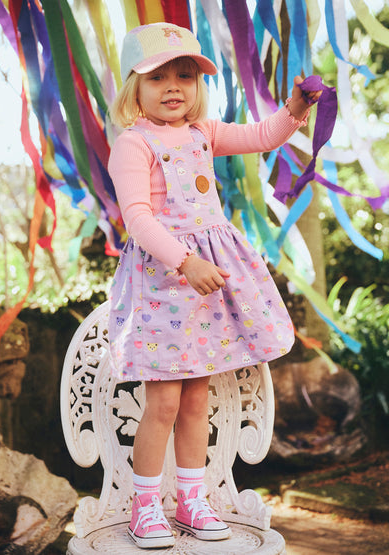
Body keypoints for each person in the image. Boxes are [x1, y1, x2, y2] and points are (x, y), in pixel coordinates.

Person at [108, 22, 322, 549]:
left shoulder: (203, 132)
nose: (173, 87)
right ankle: (144, 507)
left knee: (196, 400)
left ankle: (192, 499)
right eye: (158, 77)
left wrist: (295, 108)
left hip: (204, 288)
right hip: (163, 286)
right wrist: (186, 261)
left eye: (185, 75)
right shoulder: (133, 144)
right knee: (163, 403)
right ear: (134, 87)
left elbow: (262, 136)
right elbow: (138, 220)